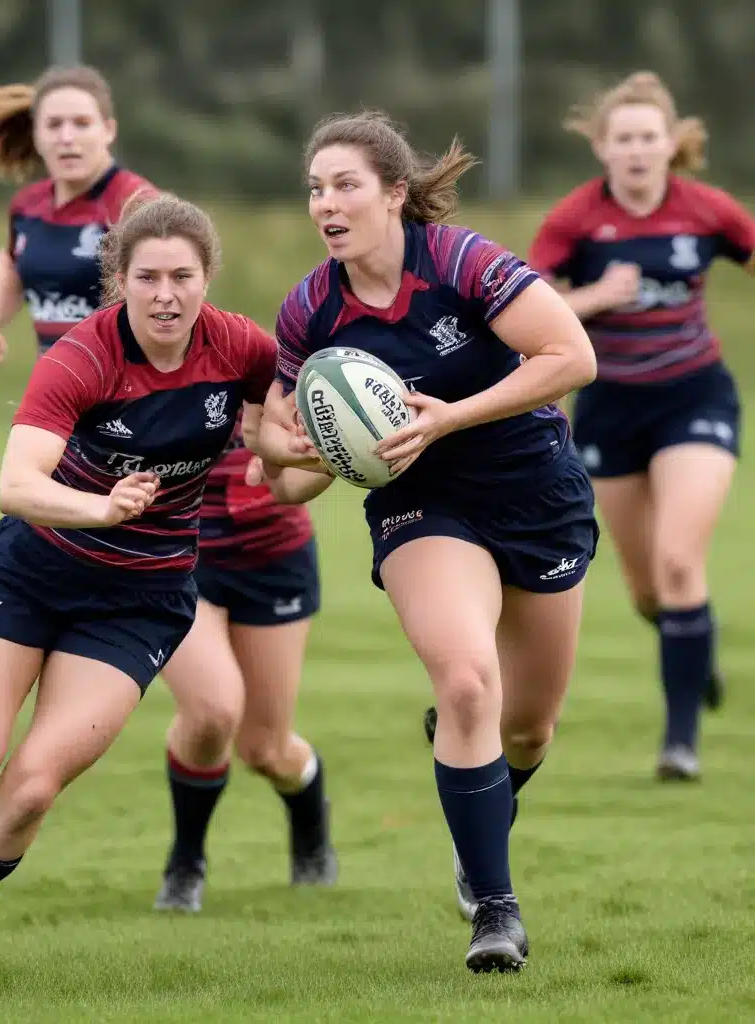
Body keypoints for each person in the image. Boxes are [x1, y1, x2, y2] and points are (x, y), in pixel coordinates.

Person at [0, 192, 279, 989]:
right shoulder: (82, 356)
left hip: (140, 600)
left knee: (31, 789)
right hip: (33, 571)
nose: (166, 294)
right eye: (147, 276)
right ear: (117, 280)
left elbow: (277, 410)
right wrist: (102, 507)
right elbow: (16, 485)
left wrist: (289, 450)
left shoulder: (239, 346)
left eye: (182, 277)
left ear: (206, 279)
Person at [254, 111, 598, 973]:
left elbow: (571, 356)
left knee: (528, 728)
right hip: (424, 507)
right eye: (314, 189)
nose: (324, 204)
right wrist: (285, 454)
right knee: (467, 681)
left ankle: (477, 801)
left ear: (394, 193)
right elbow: (293, 478)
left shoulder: (461, 263)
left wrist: (453, 417)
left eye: (344, 185)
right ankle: (495, 908)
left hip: (536, 492)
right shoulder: (310, 311)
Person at [526, 71, 755, 782]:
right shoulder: (575, 220)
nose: (636, 150)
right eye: (622, 138)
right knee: (648, 589)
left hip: (695, 397)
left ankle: (679, 741)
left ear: (670, 143)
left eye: (648, 137)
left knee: (681, 561)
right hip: (610, 409)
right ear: (602, 147)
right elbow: (525, 304)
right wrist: (595, 295)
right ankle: (693, 645)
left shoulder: (706, 210)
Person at [152, 402, 336, 913]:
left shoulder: (267, 364)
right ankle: (186, 863)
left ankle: (309, 814)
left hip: (273, 557)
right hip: (178, 559)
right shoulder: (134, 368)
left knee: (266, 749)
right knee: (212, 710)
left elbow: (326, 447)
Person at [0, 65, 155, 371]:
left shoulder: (136, 205)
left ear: (109, 130)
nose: (66, 137)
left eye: (81, 124)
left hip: (130, 398)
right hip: (59, 394)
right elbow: (11, 261)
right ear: (36, 133)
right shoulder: (28, 206)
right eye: (53, 125)